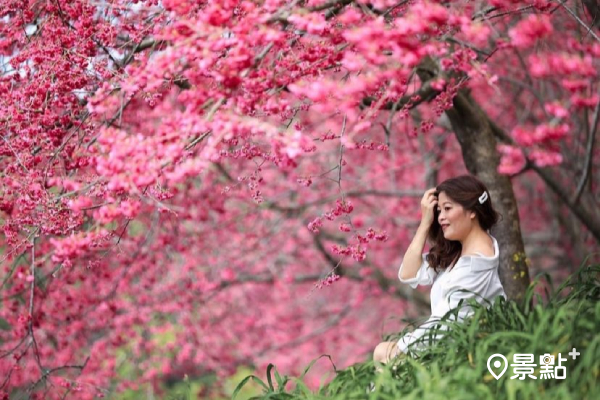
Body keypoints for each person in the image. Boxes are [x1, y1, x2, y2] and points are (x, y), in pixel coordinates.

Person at [373, 175, 506, 366]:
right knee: (383, 354)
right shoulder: (461, 252)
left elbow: (443, 324)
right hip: (450, 347)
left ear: (471, 211)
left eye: (448, 209)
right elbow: (408, 273)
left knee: (382, 354)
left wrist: (399, 348)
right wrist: (425, 223)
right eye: (438, 210)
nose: (441, 217)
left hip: (461, 356)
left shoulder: (475, 265)